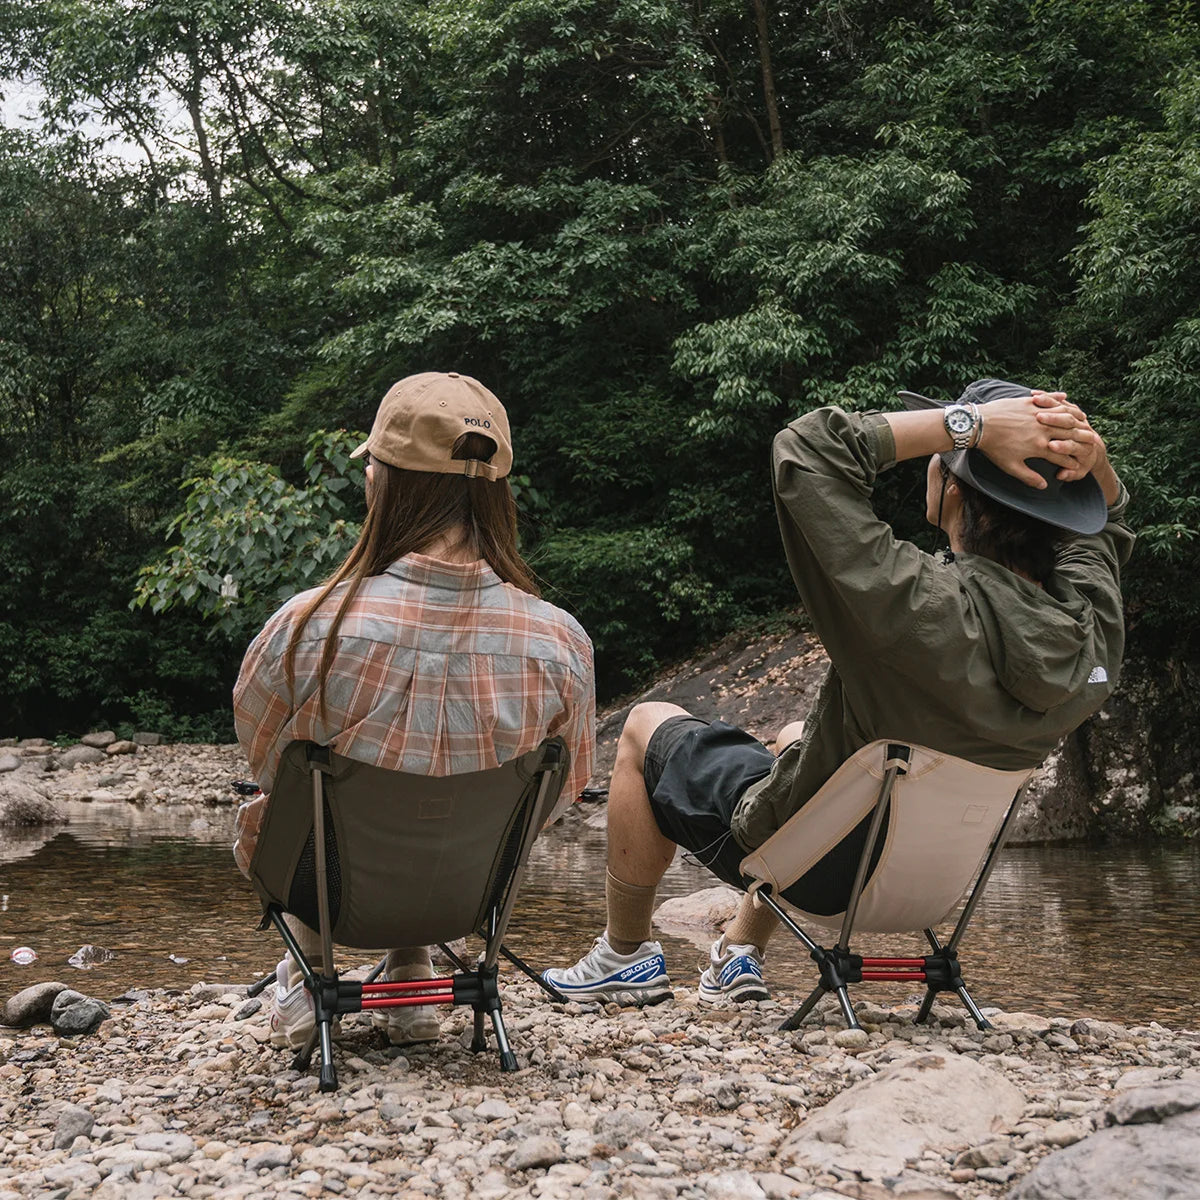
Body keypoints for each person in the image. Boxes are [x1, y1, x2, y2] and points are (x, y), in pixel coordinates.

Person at [545, 378, 1131, 1006]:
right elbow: (1108, 526)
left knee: (645, 723)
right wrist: (1089, 466)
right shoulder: (1091, 635)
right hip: (930, 886)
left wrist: (971, 425)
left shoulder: (917, 604)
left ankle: (622, 958)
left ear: (953, 489)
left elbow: (808, 449)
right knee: (800, 736)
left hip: (816, 872)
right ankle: (738, 952)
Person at [233, 371, 595, 1048]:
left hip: (333, 892)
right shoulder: (560, 641)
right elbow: (558, 794)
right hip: (468, 891)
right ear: (498, 495)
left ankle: (311, 969)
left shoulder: (307, 625)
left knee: (296, 795)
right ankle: (411, 968)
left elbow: (266, 758)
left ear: (380, 484)